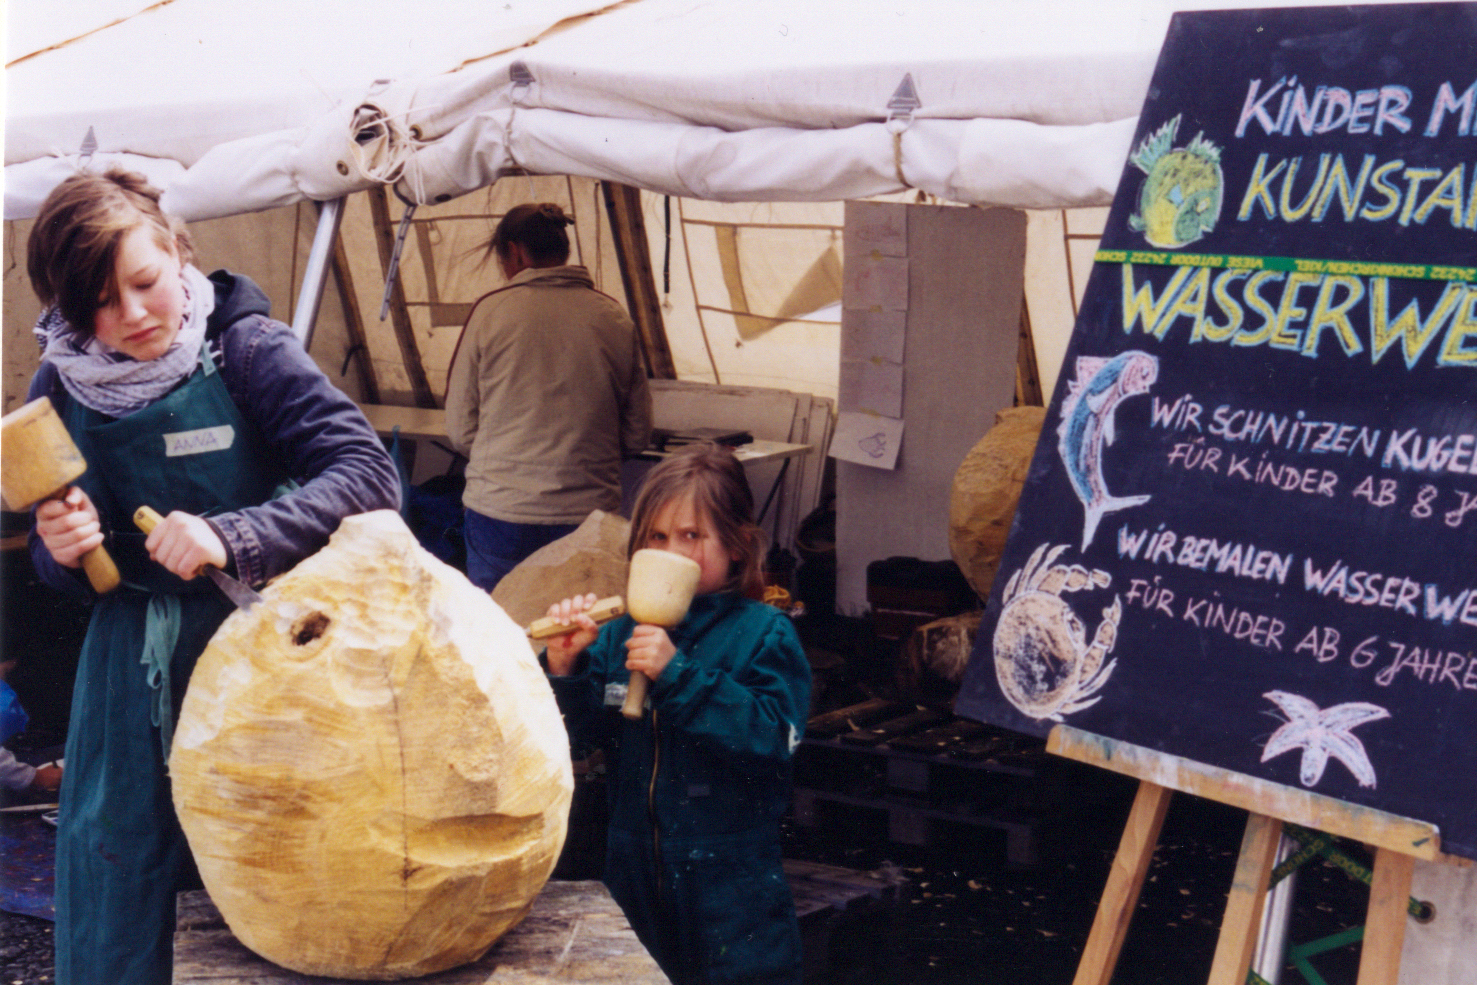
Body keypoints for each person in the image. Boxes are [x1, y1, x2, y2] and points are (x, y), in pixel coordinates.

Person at [24, 167, 401, 985]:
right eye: (94, 302)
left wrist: (236, 533)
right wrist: (57, 546)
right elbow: (60, 574)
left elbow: (369, 474)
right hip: (131, 673)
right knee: (121, 869)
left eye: (144, 283)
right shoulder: (59, 380)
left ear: (177, 249)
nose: (127, 317)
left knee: (271, 860)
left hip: (267, 652)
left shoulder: (248, 350)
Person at [542, 442, 811, 985]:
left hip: (731, 884)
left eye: (692, 536)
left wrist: (679, 676)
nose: (672, 552)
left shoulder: (763, 633)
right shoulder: (617, 633)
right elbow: (580, 743)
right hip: (630, 871)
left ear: (736, 545)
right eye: (657, 538)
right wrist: (565, 670)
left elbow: (772, 738)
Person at [444, 202, 652, 592]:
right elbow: (637, 434)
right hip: (587, 517)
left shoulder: (490, 313)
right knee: (576, 635)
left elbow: (459, 429)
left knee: (499, 635)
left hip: (501, 512)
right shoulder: (614, 317)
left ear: (516, 251)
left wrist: (506, 459)